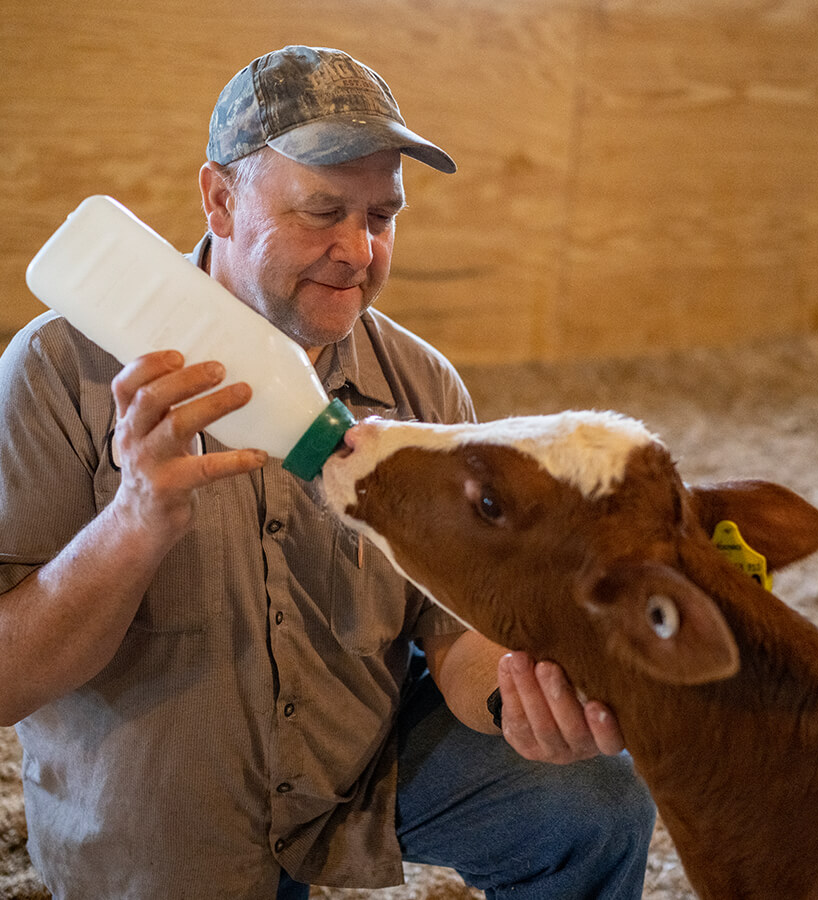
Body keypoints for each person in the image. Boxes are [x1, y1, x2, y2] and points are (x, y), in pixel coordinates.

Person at [0, 46, 655, 899]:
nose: (357, 250)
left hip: (358, 773)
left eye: (382, 216)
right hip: (162, 824)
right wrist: (134, 520)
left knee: (596, 803)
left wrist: (521, 704)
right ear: (221, 200)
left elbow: (452, 629)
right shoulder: (60, 373)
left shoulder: (422, 388)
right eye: (322, 211)